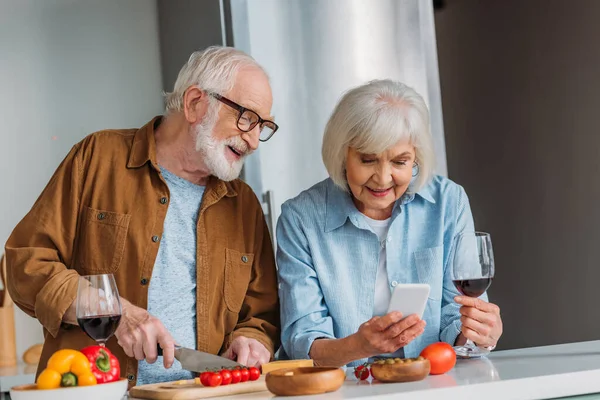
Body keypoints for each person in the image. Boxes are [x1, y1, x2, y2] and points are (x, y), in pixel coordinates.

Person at [5, 46, 280, 386]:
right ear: (195, 103)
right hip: (96, 392)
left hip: (201, 394)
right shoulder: (97, 158)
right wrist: (112, 312)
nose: (253, 140)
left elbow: (261, 315)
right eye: (247, 118)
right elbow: (25, 264)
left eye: (262, 126)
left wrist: (252, 340)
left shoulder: (245, 206)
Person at [276, 79, 503, 367]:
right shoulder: (301, 219)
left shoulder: (448, 203)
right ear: (342, 155)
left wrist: (478, 332)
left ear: (416, 158)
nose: (383, 179)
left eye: (399, 162)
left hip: (432, 381)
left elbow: (455, 315)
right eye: (368, 160)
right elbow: (302, 339)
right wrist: (357, 346)